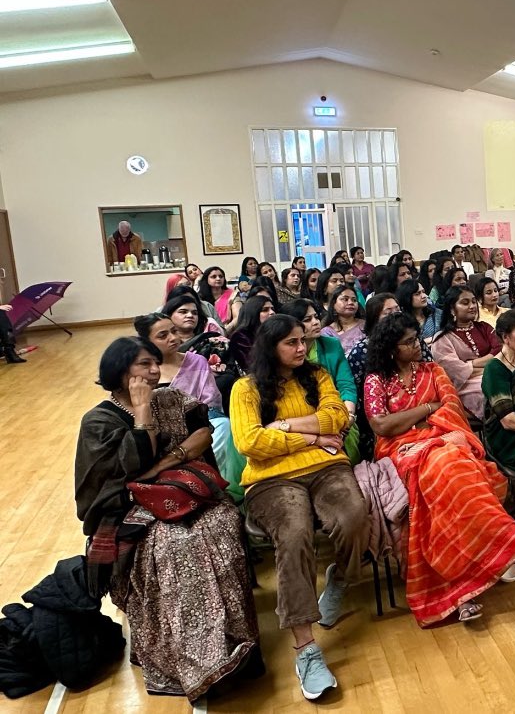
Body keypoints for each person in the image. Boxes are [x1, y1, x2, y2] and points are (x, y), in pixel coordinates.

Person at [76, 337, 258, 701]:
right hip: (131, 509)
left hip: (189, 495)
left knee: (222, 527)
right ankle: (190, 662)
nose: (155, 371)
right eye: (145, 364)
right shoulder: (98, 420)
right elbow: (122, 474)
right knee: (177, 546)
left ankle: (236, 646)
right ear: (120, 370)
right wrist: (142, 414)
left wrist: (167, 461)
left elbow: (203, 433)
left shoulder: (171, 400)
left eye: (156, 363)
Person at [363, 313, 515, 626]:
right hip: (402, 452)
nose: (417, 345)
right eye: (408, 342)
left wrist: (418, 421)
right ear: (390, 349)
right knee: (449, 469)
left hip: (445, 441)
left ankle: (462, 593)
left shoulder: (433, 370)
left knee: (454, 476)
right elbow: (382, 425)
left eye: (416, 338)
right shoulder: (376, 381)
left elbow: (452, 408)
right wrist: (428, 409)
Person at [230, 316, 367, 700]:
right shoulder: (246, 388)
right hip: (270, 479)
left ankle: (339, 578)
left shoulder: (317, 376)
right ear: (271, 346)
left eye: (302, 341)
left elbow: (338, 417)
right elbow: (250, 442)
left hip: (328, 467)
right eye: (292, 342)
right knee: (294, 535)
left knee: (355, 517)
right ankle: (306, 649)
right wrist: (313, 436)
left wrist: (287, 427)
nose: (302, 348)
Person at [134, 313, 242, 501]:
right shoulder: (143, 371)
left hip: (201, 426)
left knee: (225, 427)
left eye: (174, 331)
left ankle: (224, 487)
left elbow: (210, 402)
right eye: (163, 335)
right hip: (159, 434)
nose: (173, 338)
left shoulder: (196, 361)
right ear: (146, 341)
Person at [278, 299, 360, 458]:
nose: (316, 322)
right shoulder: (282, 354)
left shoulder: (331, 345)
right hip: (296, 418)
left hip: (334, 412)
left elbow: (346, 385)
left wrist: (348, 416)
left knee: (347, 435)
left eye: (316, 317)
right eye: (307, 320)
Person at [430, 286, 501, 421]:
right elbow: (455, 371)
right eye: (465, 302)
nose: (472, 306)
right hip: (465, 386)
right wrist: (491, 368)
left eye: (474, 301)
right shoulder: (442, 339)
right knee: (493, 387)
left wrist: (469, 364)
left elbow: (499, 350)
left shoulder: (484, 327)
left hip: (494, 374)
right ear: (452, 309)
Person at [227, 295, 276, 371]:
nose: (272, 312)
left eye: (272, 309)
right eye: (265, 310)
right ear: (253, 313)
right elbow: (251, 366)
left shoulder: (274, 332)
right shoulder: (240, 337)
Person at [320, 286, 365, 355]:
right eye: (345, 299)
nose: (351, 303)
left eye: (354, 300)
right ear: (333, 304)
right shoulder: (327, 333)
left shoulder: (366, 325)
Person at [396, 279, 441, 347]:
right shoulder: (401, 322)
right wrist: (424, 342)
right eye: (417, 294)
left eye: (423, 292)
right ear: (407, 297)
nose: (424, 296)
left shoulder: (438, 314)